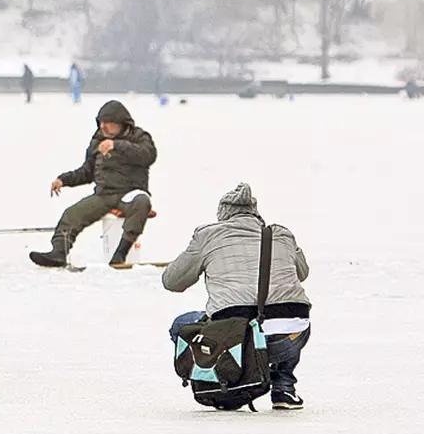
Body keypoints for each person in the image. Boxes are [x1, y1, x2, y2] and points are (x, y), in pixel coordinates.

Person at [162, 183, 312, 410]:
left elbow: (172, 282)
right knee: (282, 309)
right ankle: (284, 387)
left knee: (181, 325)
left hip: (237, 339)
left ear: (222, 213)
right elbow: (303, 273)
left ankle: (230, 384)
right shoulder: (281, 234)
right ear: (255, 212)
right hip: (291, 334)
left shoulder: (207, 235)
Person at [30, 100, 156, 267]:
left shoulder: (139, 137)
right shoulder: (97, 140)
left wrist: (117, 146)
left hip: (130, 192)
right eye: (101, 123)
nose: (103, 127)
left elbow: (148, 155)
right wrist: (63, 179)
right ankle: (58, 253)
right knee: (72, 214)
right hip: (104, 195)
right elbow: (87, 172)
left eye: (108, 123)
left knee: (142, 202)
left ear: (121, 123)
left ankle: (120, 255)